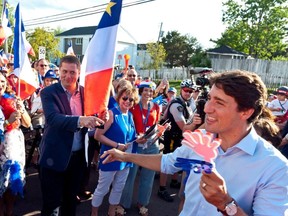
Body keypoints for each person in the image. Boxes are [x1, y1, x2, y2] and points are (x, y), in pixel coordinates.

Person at [101, 70, 288, 215]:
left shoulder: (274, 168)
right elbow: (168, 163)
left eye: (219, 103)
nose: (207, 108)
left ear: (246, 111)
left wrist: (226, 204)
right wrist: (124, 155)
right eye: (209, 100)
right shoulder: (201, 138)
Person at [38, 55, 106, 216]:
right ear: (59, 71)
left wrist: (102, 118)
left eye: (72, 72)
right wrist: (81, 120)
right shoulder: (48, 92)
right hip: (54, 157)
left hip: (77, 158)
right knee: (51, 204)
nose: (68, 76)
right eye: (64, 71)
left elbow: (95, 116)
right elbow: (54, 119)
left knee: (71, 203)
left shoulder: (85, 93)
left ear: (79, 73)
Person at [91, 86, 141, 216]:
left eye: (131, 99)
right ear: (119, 98)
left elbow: (131, 137)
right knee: (103, 189)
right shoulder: (111, 114)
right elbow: (97, 135)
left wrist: (140, 139)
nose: (127, 101)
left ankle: (111, 212)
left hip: (124, 159)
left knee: (118, 188)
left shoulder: (129, 115)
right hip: (110, 157)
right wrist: (117, 145)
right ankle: (94, 213)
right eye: (125, 97)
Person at [119, 81, 160, 215]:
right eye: (146, 90)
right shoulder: (133, 106)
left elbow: (155, 125)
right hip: (136, 144)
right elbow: (129, 125)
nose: (148, 93)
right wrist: (137, 136)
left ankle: (143, 203)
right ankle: (123, 204)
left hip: (152, 145)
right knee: (130, 176)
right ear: (140, 91)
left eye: (151, 91)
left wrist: (162, 129)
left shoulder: (156, 107)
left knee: (148, 177)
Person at [157, 79, 195, 202]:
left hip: (180, 137)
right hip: (172, 136)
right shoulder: (176, 105)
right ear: (181, 90)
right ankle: (162, 188)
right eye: (186, 90)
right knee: (167, 160)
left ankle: (174, 181)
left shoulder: (188, 102)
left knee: (179, 158)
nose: (188, 93)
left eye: (190, 91)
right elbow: (184, 127)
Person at [0, 72, 31, 216]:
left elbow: (27, 123)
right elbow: (5, 124)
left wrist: (21, 109)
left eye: (2, 81)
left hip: (15, 143)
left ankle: (10, 211)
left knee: (13, 180)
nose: (0, 85)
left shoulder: (12, 99)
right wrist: (7, 122)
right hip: (1, 145)